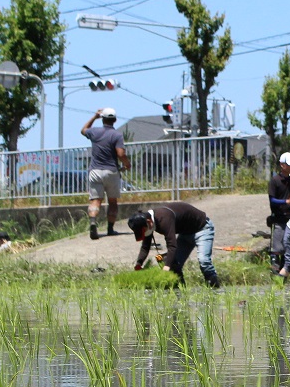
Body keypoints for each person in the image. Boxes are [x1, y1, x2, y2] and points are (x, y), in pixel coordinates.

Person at [127, 202, 220, 287]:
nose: (145, 233)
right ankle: (182, 292)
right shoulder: (147, 223)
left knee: (204, 261)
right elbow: (145, 247)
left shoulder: (164, 218)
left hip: (202, 228)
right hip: (185, 233)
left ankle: (214, 289)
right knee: (174, 264)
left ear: (149, 222)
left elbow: (172, 245)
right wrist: (138, 264)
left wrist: (166, 267)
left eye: (143, 230)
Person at [82, 108, 131, 240]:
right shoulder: (117, 135)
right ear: (114, 120)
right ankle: (110, 229)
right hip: (111, 171)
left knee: (95, 200)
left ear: (102, 119)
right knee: (113, 201)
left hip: (95, 171)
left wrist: (94, 117)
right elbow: (121, 153)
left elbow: (83, 130)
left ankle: (93, 222)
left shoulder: (94, 132)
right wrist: (127, 164)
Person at [267, 152, 290, 271]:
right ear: (282, 165)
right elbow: (272, 200)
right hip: (278, 218)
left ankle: (284, 271)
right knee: (277, 248)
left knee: (288, 247)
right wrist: (286, 202)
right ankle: (275, 271)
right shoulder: (275, 181)